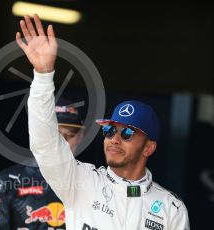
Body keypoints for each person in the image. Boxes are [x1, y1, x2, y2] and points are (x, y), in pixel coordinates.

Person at [16, 14, 190, 230]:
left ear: (148, 148)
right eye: (109, 131)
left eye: (127, 134)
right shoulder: (79, 182)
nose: (114, 139)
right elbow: (45, 144)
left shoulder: (171, 209)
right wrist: (43, 75)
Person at [0, 99, 85, 230]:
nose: (61, 141)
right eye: (54, 133)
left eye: (70, 135)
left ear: (81, 136)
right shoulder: (6, 181)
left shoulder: (94, 182)